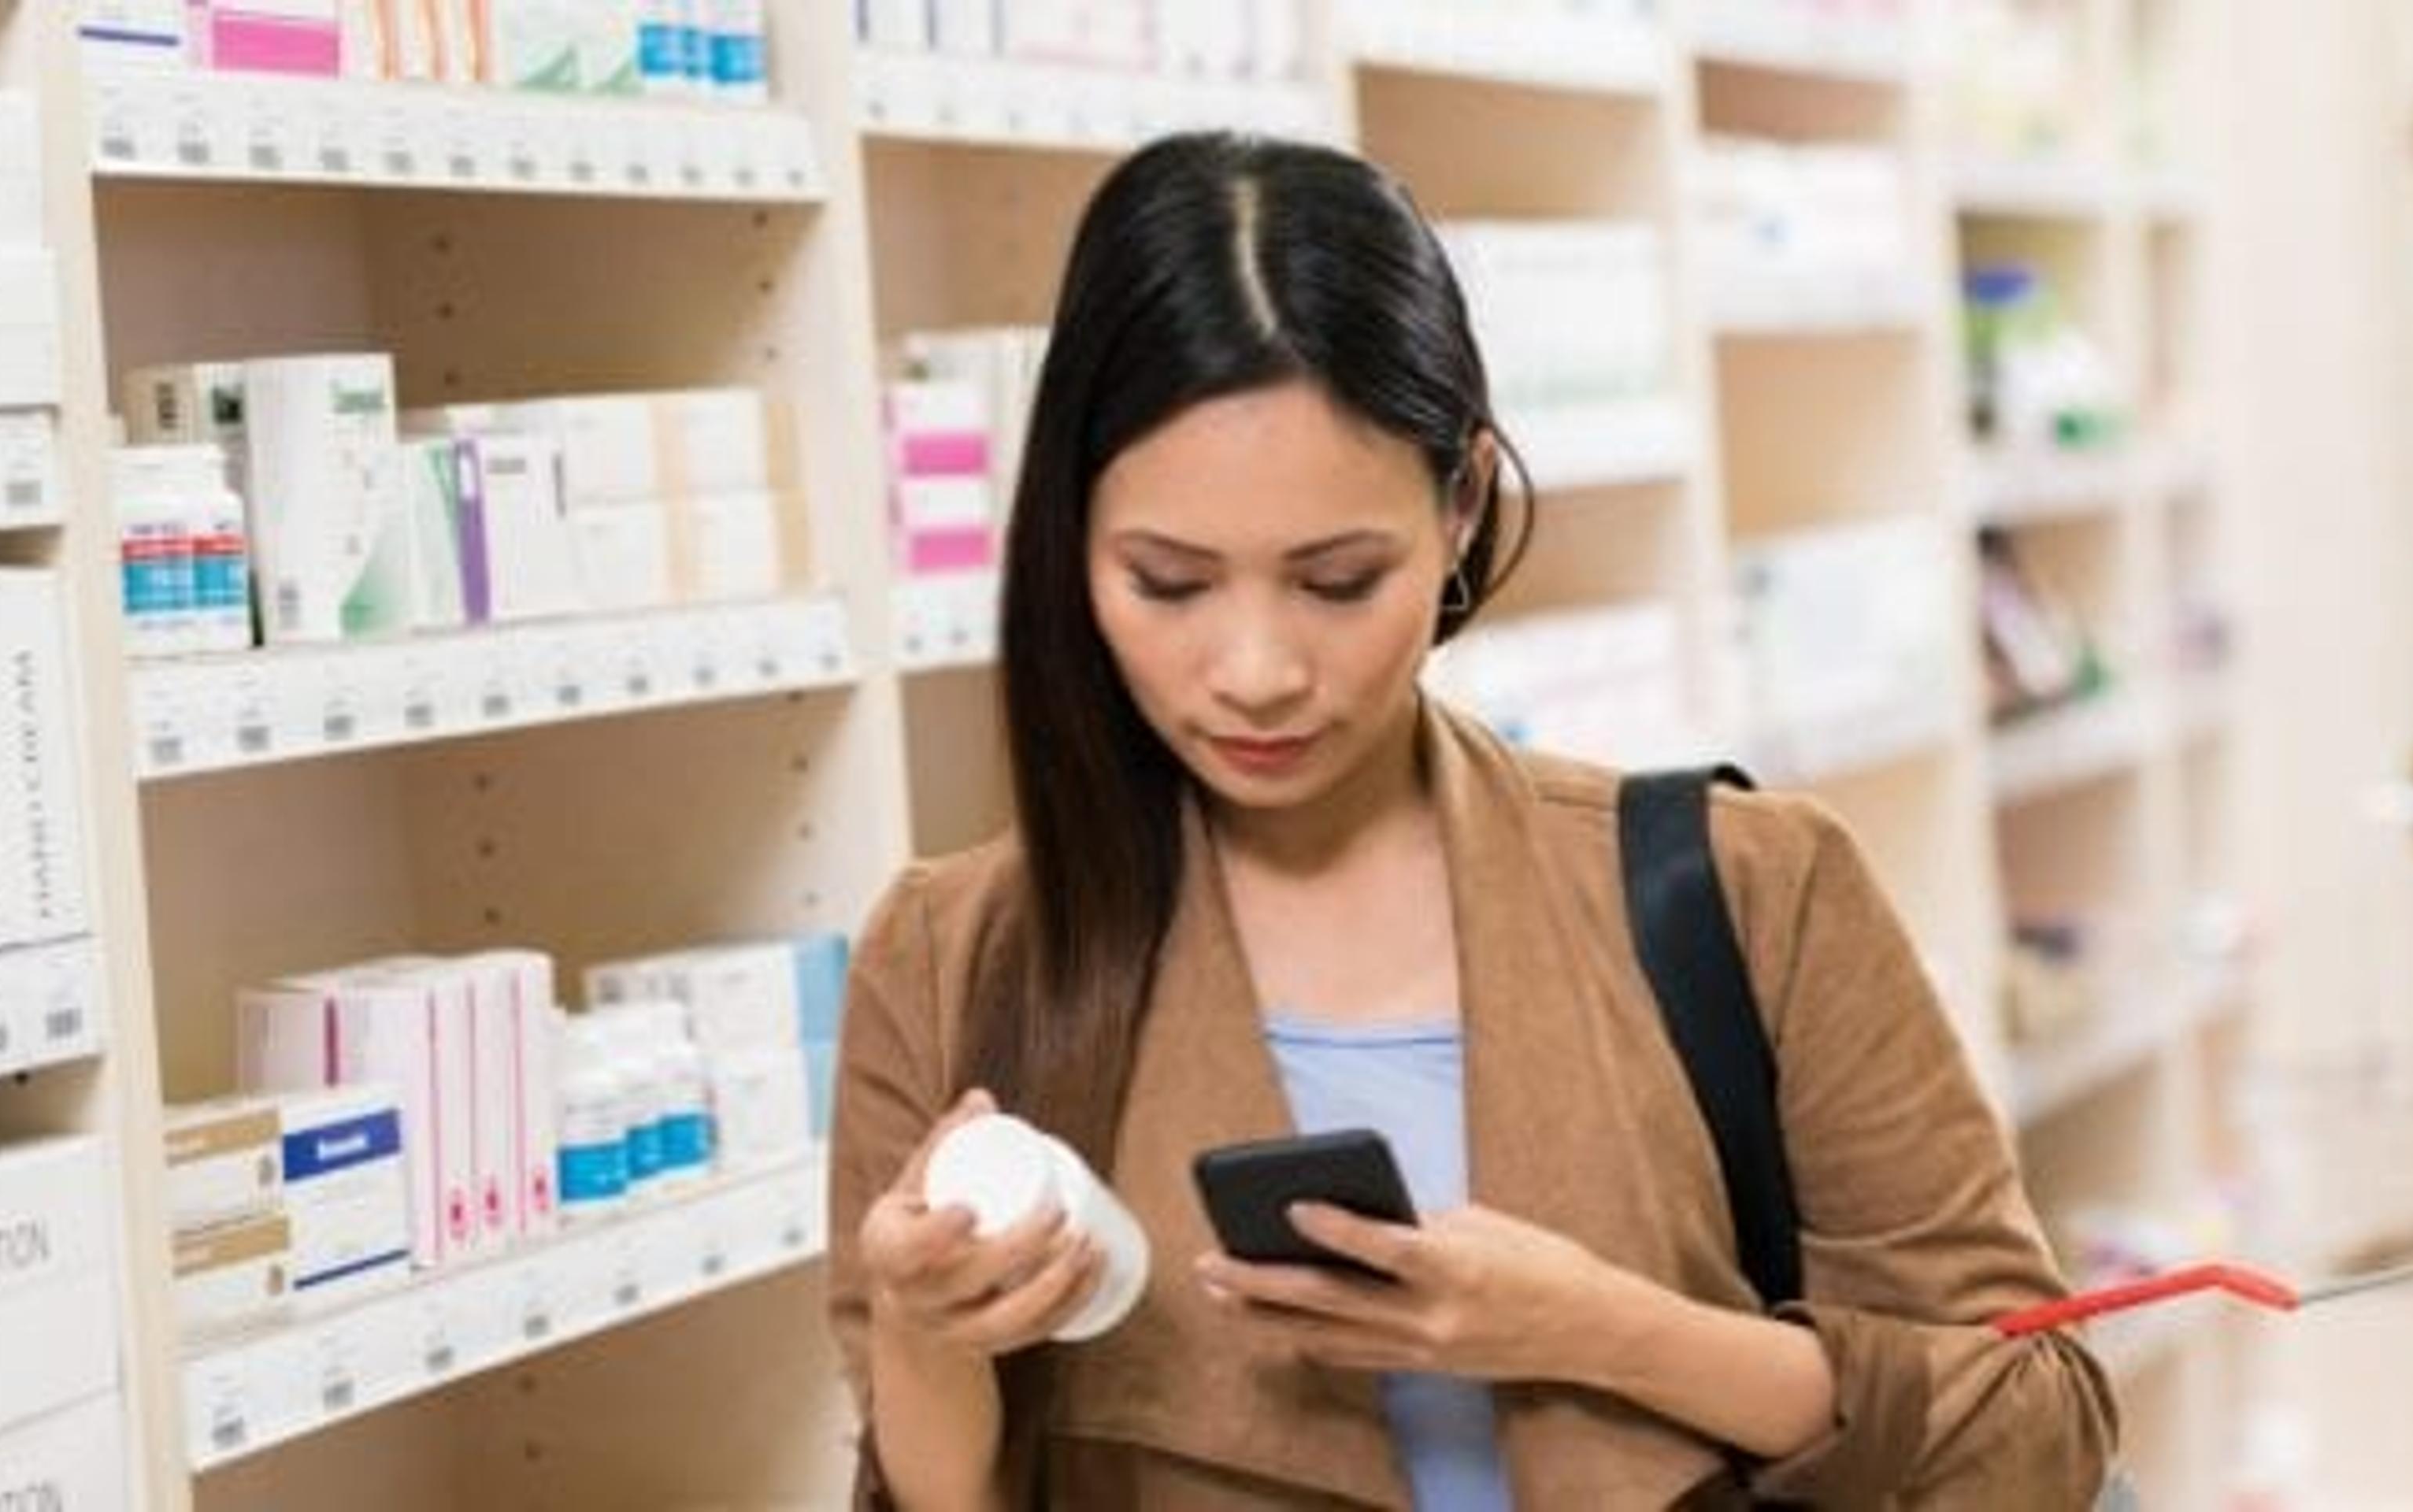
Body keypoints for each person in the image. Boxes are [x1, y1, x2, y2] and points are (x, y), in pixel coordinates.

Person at [821, 132, 2116, 1510]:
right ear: (1069, 543)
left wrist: (1600, 1331)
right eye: (1170, 583)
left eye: (1336, 580)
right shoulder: (957, 959)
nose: (1256, 669)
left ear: (1460, 507)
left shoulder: (1747, 891)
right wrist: (923, 1332)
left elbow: (2033, 1429)